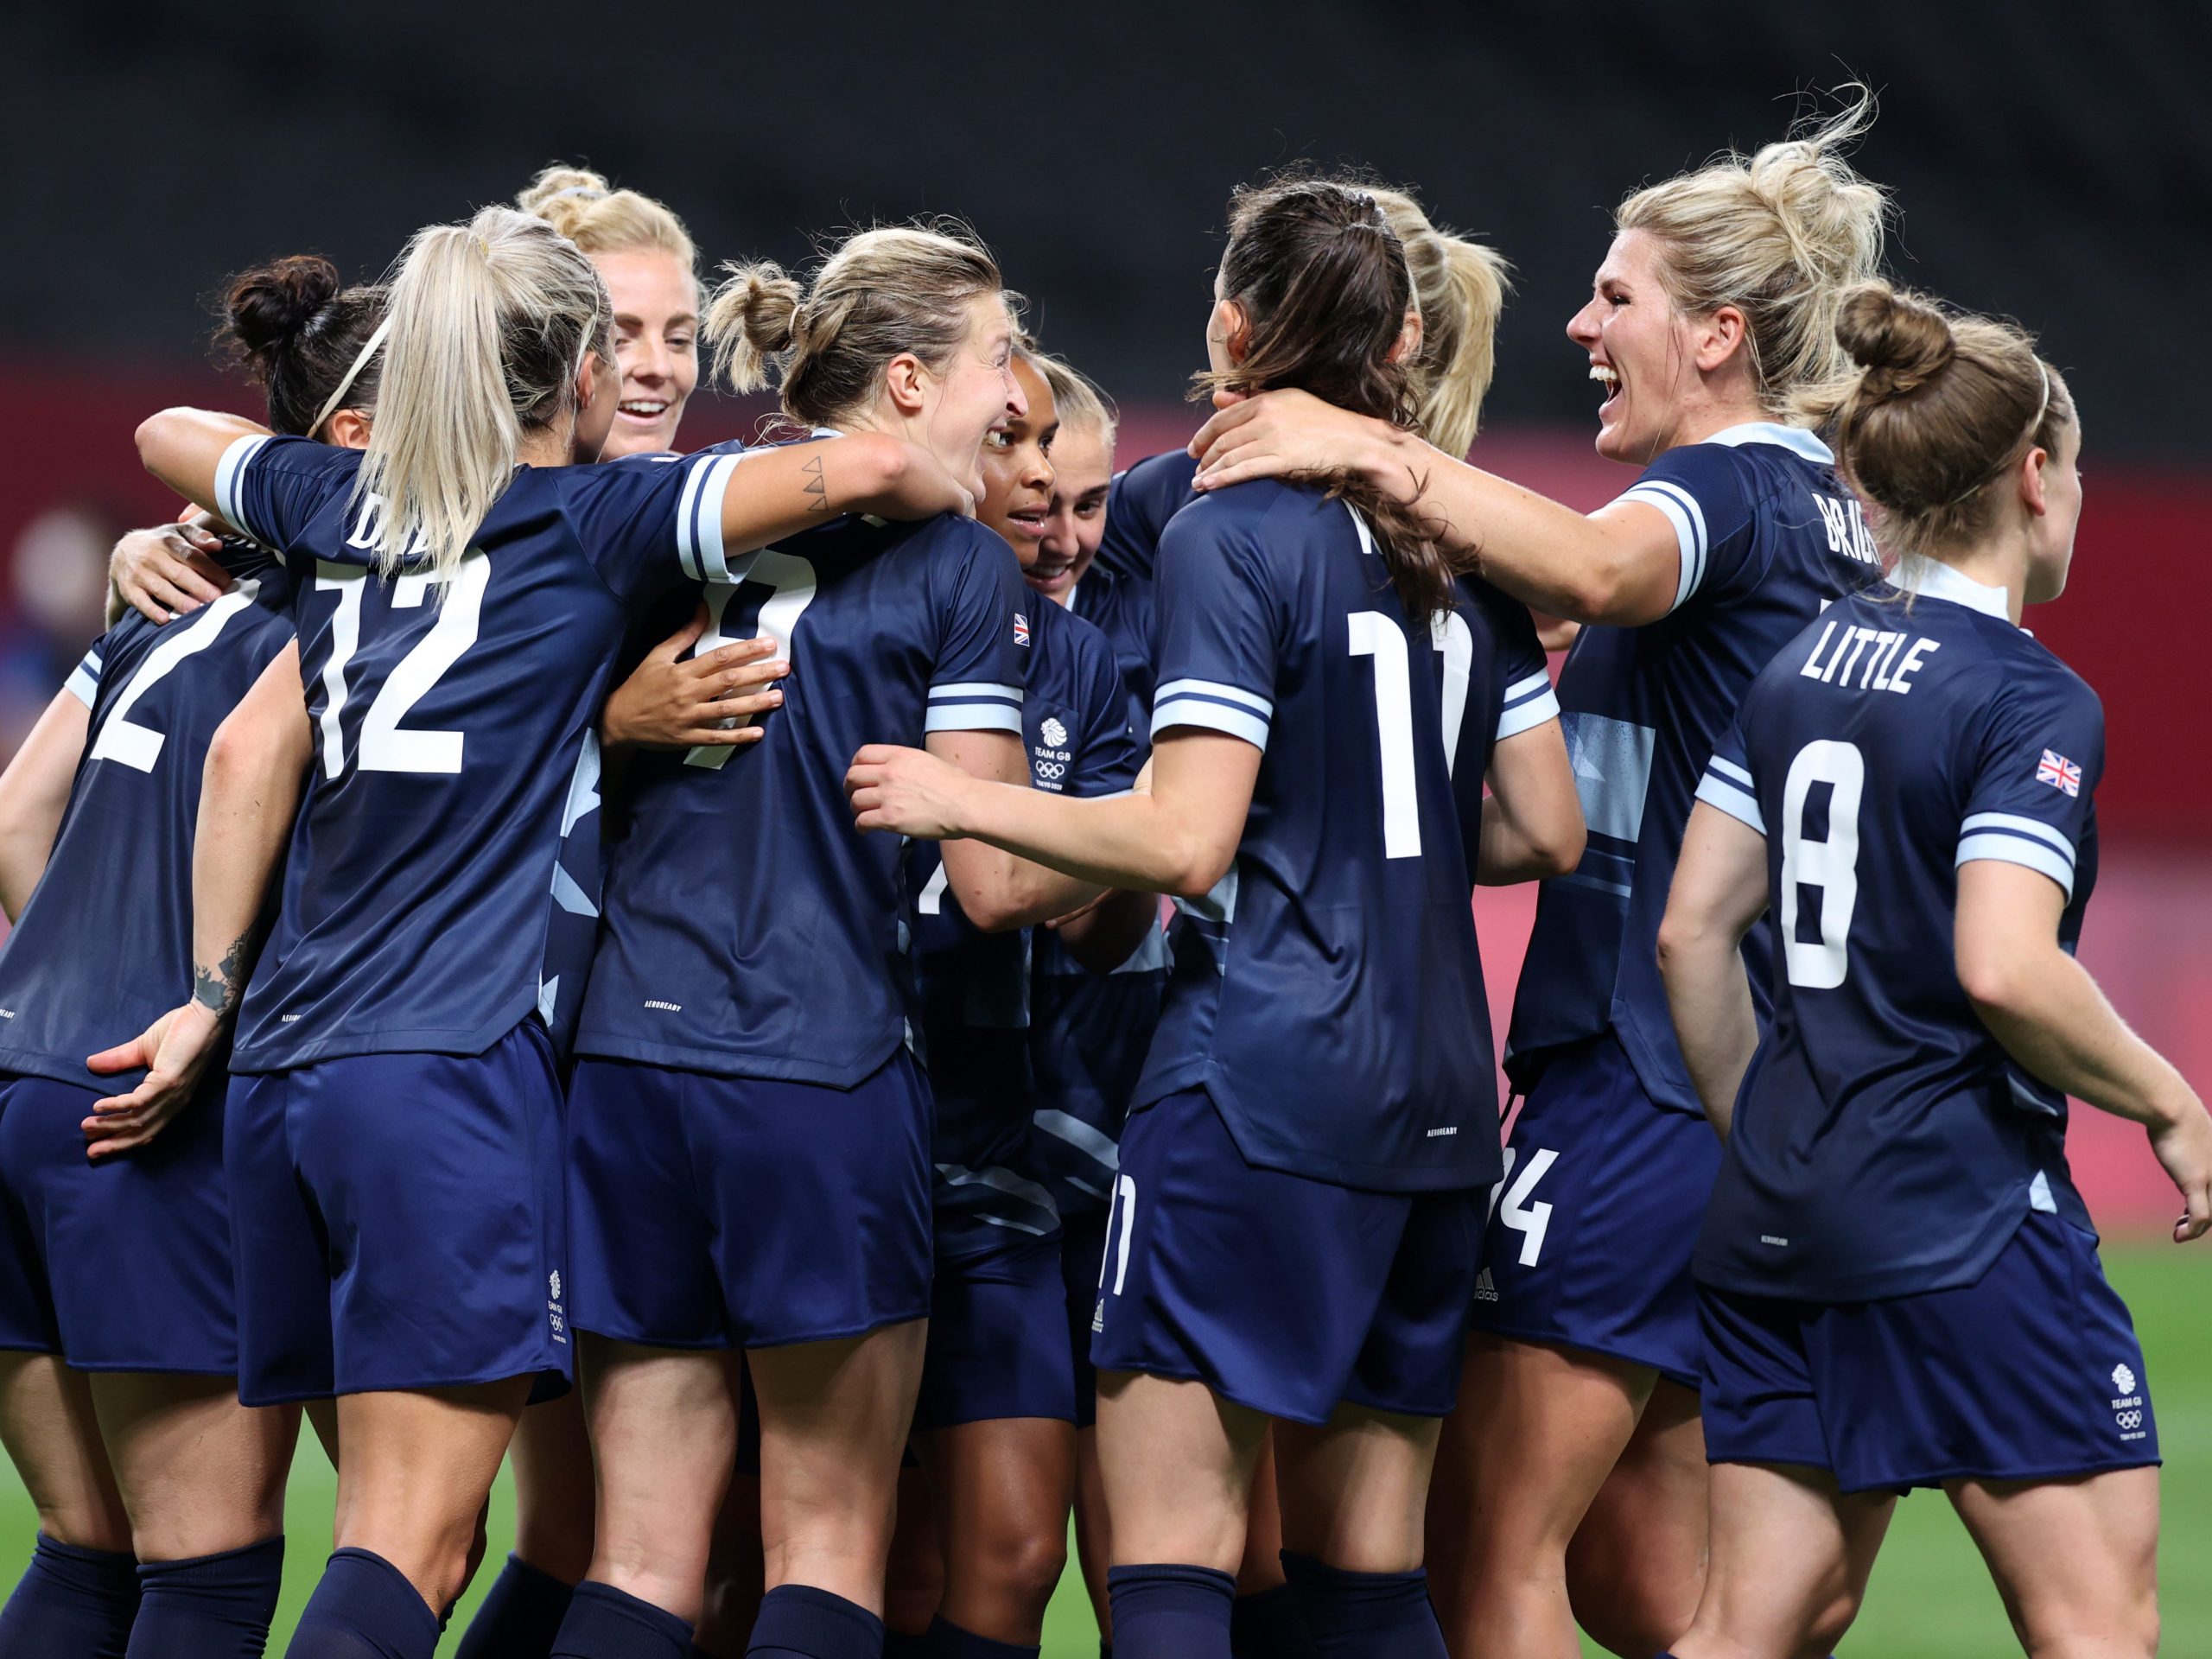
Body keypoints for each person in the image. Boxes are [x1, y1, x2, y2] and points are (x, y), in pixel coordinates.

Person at [98, 204, 970, 1659]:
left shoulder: (341, 508)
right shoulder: (588, 520)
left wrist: (305, 483)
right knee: (417, 1549)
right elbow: (879, 463)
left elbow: (169, 432)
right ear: (572, 373)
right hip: (445, 1080)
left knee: (394, 1530)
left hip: (285, 1080)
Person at [1185, 96, 1889, 1658]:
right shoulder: (1829, 513)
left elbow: (1591, 563)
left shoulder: (1729, 490)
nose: (1580, 321)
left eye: (1617, 295)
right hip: (1762, 1091)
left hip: (1641, 1080)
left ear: (1716, 336)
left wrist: (1356, 439)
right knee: (1657, 1589)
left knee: (1479, 1554)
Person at [845, 174, 1583, 1659]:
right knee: (1369, 1573)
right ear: (1402, 349)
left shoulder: (1227, 536)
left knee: (1172, 1559)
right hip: (1441, 1106)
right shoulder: (1453, 543)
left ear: (1232, 326)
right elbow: (1541, 827)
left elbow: (1183, 844)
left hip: (1259, 1086)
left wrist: (960, 798)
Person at [557, 221, 1090, 1659]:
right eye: (993, 365)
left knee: (641, 1559)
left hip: (623, 1062)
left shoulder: (677, 515)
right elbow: (987, 877)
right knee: (828, 1547)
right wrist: (1155, 841)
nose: (1010, 399)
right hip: (819, 1068)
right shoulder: (959, 568)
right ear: (908, 385)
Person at [1656, 283, 2212, 1659]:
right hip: (1958, 1220)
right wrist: (2170, 1101)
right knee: (2097, 1625)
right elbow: (2008, 969)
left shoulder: (1794, 667)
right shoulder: (2029, 697)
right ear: (2035, 475)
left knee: (1757, 1628)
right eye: (2070, 464)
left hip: (1778, 1211)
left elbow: (1689, 934)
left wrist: (1777, 1137)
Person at [0, 253, 380, 1659]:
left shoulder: (173, 599)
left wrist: (87, 976)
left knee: (86, 1561)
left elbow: (13, 818)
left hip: (24, 1082)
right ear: (350, 443)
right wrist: (192, 998)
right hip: (143, 1113)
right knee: (206, 1578)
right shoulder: (342, 625)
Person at [888, 343, 1159, 1659]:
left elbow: (1112, 927)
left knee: (1001, 1551)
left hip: (1021, 1158)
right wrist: (1126, 840)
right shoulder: (857, 603)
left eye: (1090, 502)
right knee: (815, 1554)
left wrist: (1135, 861)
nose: (1064, 533)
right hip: (857, 1129)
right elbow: (1004, 890)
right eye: (1034, 493)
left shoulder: (1090, 660)